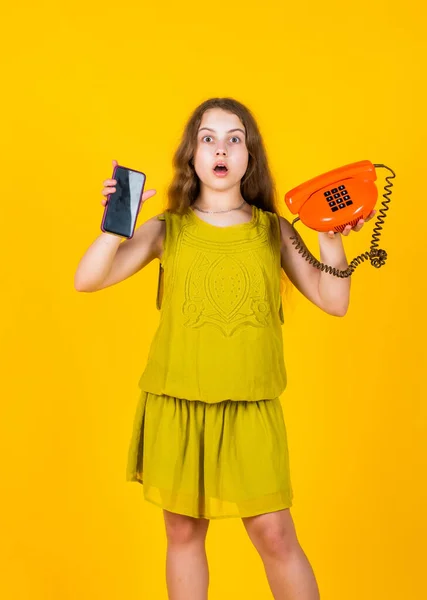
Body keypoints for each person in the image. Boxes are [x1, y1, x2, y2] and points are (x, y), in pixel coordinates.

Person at [74, 97, 376, 600]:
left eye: (234, 138)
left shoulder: (272, 230)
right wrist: (116, 222)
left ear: (249, 157)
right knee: (183, 533)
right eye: (208, 138)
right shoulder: (166, 229)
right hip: (178, 402)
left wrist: (329, 236)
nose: (221, 149)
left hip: (250, 407)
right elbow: (88, 279)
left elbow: (334, 300)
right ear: (191, 156)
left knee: (276, 534)